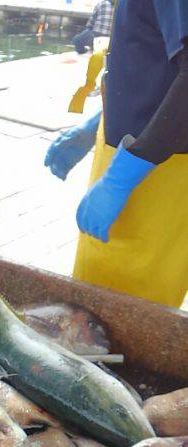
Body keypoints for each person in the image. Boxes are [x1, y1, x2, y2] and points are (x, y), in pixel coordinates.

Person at [45, 0, 188, 308]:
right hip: (132, 155)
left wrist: (120, 179)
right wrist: (98, 122)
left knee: (120, 325)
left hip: (157, 175)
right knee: (90, 311)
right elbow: (152, 60)